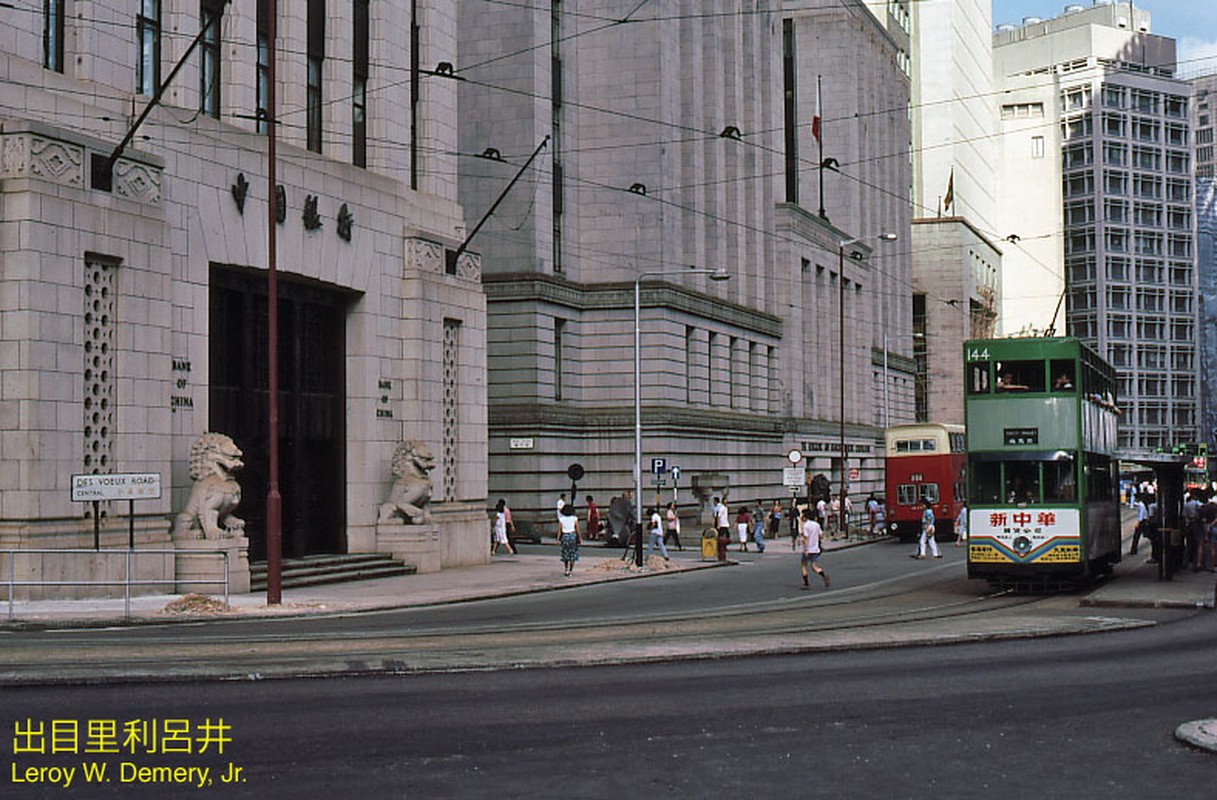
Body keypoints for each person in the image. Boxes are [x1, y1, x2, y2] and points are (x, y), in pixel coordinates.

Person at [798, 507, 830, 589]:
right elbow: (821, 536)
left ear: (805, 517)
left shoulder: (806, 526)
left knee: (804, 565)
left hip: (809, 549)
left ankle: (806, 583)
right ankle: (824, 576)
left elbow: (806, 538)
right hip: (816, 549)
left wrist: (805, 549)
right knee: (814, 566)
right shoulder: (816, 525)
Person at [557, 503, 580, 576]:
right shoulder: (574, 518)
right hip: (572, 536)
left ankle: (566, 569)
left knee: (566, 554)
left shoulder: (561, 519)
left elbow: (559, 530)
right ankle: (571, 570)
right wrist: (579, 538)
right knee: (572, 554)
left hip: (565, 536)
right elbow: (577, 529)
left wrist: (558, 539)